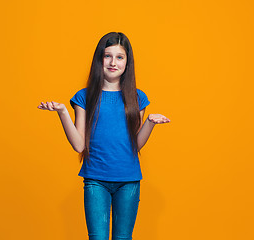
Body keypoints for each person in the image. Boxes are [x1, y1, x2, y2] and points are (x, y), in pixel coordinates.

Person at [38, 32, 170, 240]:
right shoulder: (84, 96)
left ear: (127, 62)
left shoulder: (137, 97)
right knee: (97, 237)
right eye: (107, 56)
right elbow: (79, 145)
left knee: (123, 237)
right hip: (95, 180)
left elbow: (136, 144)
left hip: (129, 180)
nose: (113, 62)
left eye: (119, 57)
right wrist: (63, 112)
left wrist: (150, 124)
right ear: (99, 59)